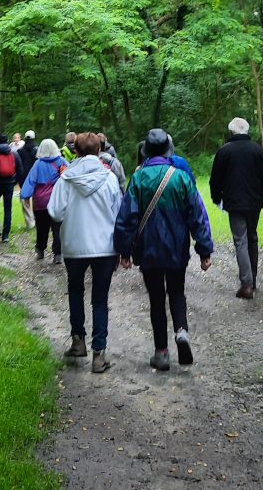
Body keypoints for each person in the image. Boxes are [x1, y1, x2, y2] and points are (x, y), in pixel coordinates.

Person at [115, 127, 213, 371]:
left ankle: (161, 353)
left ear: (146, 151)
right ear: (168, 150)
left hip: (148, 250)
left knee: (157, 299)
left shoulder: (138, 178)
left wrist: (124, 251)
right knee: (177, 292)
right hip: (176, 249)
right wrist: (204, 250)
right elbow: (197, 215)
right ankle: (181, 332)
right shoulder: (181, 177)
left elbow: (127, 217)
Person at [48, 132, 122, 373]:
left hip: (74, 245)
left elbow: (55, 213)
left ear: (76, 151)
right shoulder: (109, 178)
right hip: (104, 247)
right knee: (100, 299)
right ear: (100, 150)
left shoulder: (65, 179)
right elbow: (119, 212)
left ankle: (78, 342)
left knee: (76, 292)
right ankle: (99, 354)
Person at [208, 116, 263, 300]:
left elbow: (215, 179)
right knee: (252, 237)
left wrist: (216, 199)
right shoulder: (257, 150)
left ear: (231, 132)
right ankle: (252, 280)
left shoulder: (224, 152)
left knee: (241, 240)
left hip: (234, 203)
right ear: (247, 131)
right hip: (255, 202)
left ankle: (246, 284)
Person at [20, 137, 67, 262]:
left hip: (40, 201)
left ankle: (40, 250)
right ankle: (58, 253)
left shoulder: (38, 164)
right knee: (57, 228)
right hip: (57, 199)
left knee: (41, 227)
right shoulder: (61, 162)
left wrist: (25, 196)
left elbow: (31, 180)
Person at [0, 132, 23, 242]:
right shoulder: (14, 154)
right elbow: (20, 169)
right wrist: (14, 181)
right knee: (8, 208)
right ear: (7, 140)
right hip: (9, 184)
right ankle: (6, 235)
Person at [18, 130, 39, 231]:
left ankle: (30, 222)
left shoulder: (20, 151)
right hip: (35, 177)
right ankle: (37, 219)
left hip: (23, 178)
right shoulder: (37, 150)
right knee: (36, 198)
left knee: (25, 199)